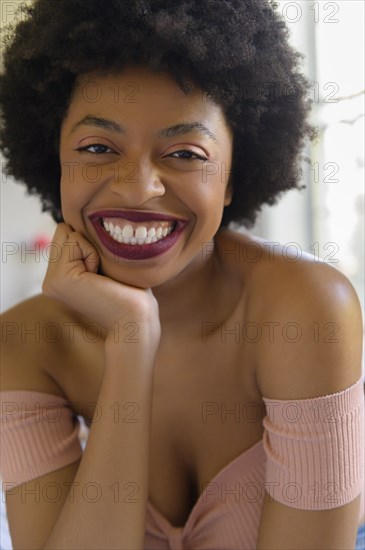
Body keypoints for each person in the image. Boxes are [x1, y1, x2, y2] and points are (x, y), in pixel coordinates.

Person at [0, 1, 364, 548]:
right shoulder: (25, 344)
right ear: (56, 165)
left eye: (186, 153)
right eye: (98, 148)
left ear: (233, 179)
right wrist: (131, 340)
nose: (138, 187)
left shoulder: (305, 308)